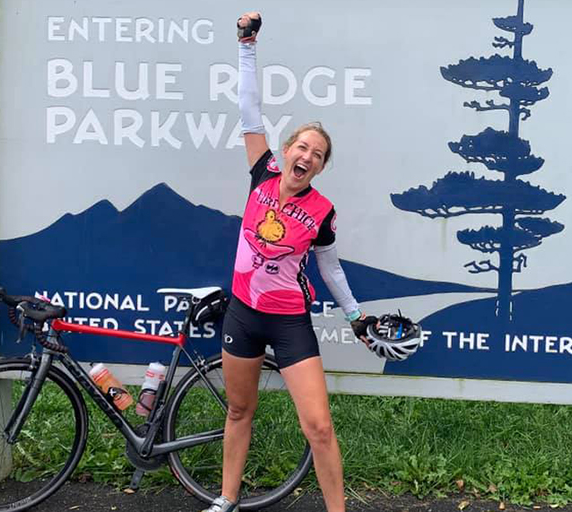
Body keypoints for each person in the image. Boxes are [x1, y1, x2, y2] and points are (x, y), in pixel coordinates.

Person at [201, 12, 377, 512]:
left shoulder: (321, 211)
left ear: (321, 166)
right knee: (239, 410)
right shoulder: (262, 171)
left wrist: (355, 316)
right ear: (286, 149)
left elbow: (331, 270)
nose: (307, 155)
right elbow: (249, 109)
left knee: (318, 426)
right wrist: (247, 45)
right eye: (302, 146)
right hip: (242, 313)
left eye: (317, 154)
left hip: (288, 322)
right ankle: (227, 499)